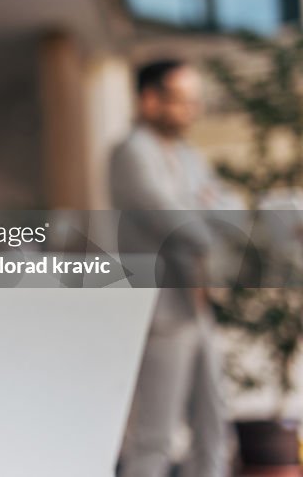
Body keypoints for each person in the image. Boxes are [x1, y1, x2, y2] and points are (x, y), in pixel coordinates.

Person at [111, 59, 232, 477]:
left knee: (215, 427)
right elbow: (167, 214)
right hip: (163, 313)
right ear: (149, 99)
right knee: (156, 437)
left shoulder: (188, 156)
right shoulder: (130, 152)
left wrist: (210, 209)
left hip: (198, 306)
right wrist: (207, 213)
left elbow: (225, 206)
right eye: (182, 100)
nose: (192, 110)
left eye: (195, 100)